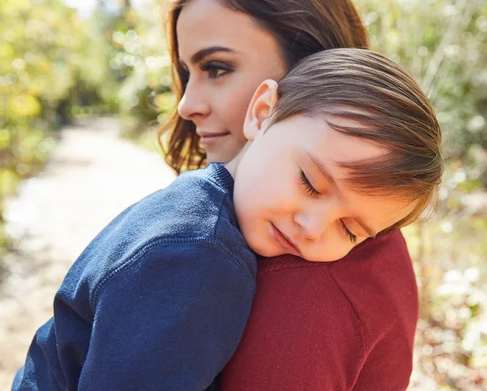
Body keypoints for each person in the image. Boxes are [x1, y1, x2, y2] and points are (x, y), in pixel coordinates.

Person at [12, 48, 442, 390]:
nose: (312, 227)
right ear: (261, 113)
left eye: (349, 230)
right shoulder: (197, 259)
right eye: (310, 183)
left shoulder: (194, 202)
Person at [161, 0, 433, 390]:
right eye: (187, 72)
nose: (186, 105)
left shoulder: (302, 280)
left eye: (217, 68)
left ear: (309, 61)